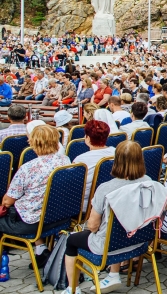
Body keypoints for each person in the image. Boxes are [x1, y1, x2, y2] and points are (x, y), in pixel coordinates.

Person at [61, 141, 154, 294]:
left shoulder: (106, 188)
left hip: (109, 246)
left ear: (116, 160)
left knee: (71, 240)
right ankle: (113, 274)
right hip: (139, 241)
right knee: (118, 227)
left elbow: (92, 226)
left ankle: (72, 289)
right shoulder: (149, 182)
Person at [1, 125, 71, 268]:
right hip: (59, 217)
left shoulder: (28, 168)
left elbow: (7, 201)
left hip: (32, 223)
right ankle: (41, 251)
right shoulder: (66, 161)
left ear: (33, 142)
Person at [73, 120, 116, 212]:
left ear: (87, 138)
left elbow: (74, 188)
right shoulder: (117, 152)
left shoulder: (80, 161)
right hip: (113, 200)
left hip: (86, 206)